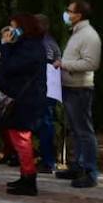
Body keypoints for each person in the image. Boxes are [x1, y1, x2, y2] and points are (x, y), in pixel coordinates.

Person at [0, 13, 48, 194]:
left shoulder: (30, 48)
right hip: (21, 98)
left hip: (25, 100)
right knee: (17, 136)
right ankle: (25, 174)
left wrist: (6, 47)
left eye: (14, 27)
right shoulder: (27, 46)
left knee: (21, 138)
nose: (11, 31)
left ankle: (29, 178)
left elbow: (9, 68)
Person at [55, 0, 102, 189]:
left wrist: (64, 64)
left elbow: (91, 63)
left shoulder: (89, 35)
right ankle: (79, 166)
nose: (67, 13)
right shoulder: (77, 33)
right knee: (76, 130)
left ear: (79, 15)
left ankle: (90, 171)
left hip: (80, 89)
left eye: (70, 11)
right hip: (70, 87)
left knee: (84, 131)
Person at [34, 13, 62, 174]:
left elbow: (46, 64)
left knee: (45, 123)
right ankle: (46, 157)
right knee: (45, 123)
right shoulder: (50, 42)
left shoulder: (44, 44)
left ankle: (48, 160)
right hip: (47, 89)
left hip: (44, 89)